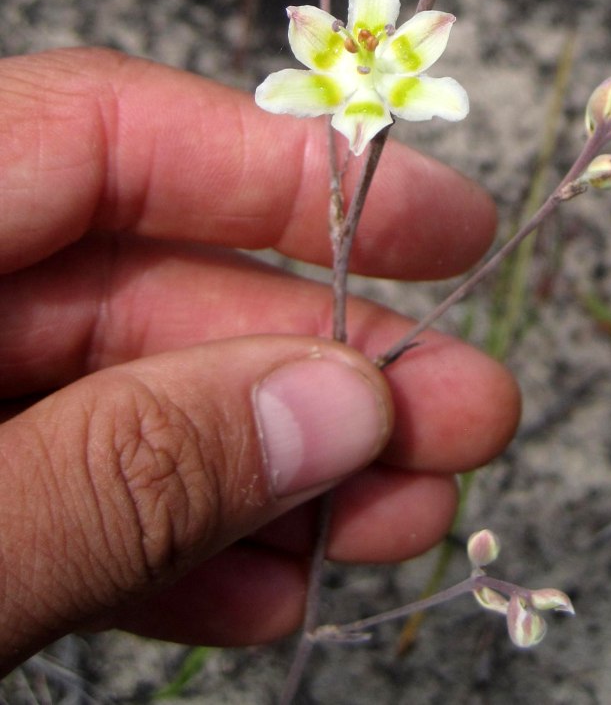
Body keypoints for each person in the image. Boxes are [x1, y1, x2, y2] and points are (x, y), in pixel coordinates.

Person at [0, 48, 521, 676]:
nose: (363, 51)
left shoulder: (390, 82)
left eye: (369, 46)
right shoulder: (336, 94)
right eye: (357, 44)